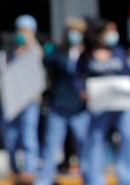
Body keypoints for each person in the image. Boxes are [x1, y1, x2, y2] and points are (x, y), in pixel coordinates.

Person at [76, 18, 130, 185]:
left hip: (122, 105)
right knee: (96, 141)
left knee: (127, 137)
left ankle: (126, 178)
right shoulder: (86, 56)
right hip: (99, 106)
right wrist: (82, 92)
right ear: (98, 35)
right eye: (109, 31)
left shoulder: (119, 51)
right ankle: (95, 179)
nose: (113, 35)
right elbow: (77, 79)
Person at [33, 16, 89, 185]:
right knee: (51, 146)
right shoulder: (58, 51)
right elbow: (44, 61)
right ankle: (44, 180)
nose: (74, 34)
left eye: (78, 31)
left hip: (80, 108)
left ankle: (91, 178)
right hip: (59, 105)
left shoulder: (87, 54)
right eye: (72, 31)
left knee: (84, 145)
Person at [0, 14, 44, 183]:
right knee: (10, 136)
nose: (21, 33)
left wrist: (30, 41)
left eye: (25, 30)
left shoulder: (35, 49)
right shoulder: (7, 51)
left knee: (28, 134)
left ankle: (30, 167)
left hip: (30, 100)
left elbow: (38, 59)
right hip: (11, 100)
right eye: (19, 30)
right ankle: (13, 166)